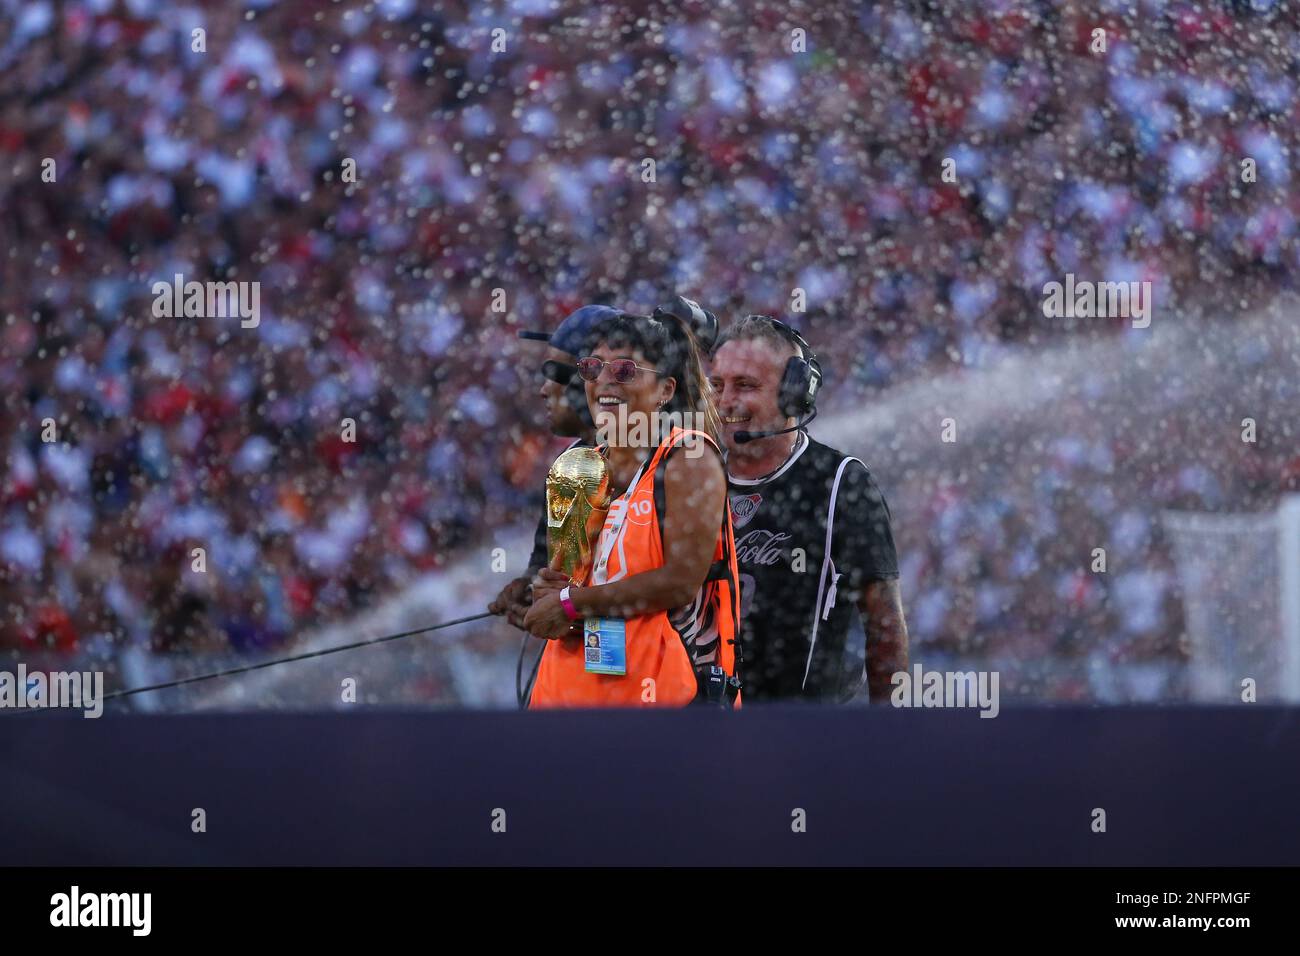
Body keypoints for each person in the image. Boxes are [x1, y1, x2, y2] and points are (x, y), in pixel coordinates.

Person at [522, 311, 741, 707]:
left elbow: (679, 582)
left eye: (624, 370)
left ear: (664, 390)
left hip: (666, 705)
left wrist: (572, 603)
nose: (604, 380)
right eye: (592, 368)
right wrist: (548, 596)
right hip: (569, 699)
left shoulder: (689, 457)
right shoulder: (575, 469)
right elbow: (567, 590)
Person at [707, 314, 909, 702]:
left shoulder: (840, 482)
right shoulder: (688, 473)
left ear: (792, 395)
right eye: (716, 385)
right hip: (698, 726)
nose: (725, 400)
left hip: (800, 732)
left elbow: (884, 626)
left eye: (745, 385)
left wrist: (893, 736)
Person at [489, 305, 618, 704]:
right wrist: (528, 590)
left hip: (630, 696)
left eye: (558, 376)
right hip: (575, 690)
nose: (545, 389)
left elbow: (659, 595)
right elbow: (549, 566)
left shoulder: (666, 465)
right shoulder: (572, 466)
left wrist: (571, 609)